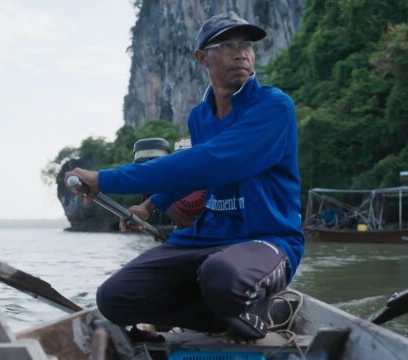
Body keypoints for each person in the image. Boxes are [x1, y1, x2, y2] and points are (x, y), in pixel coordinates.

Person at [65, 11, 304, 340]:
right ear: (201, 57)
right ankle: (221, 315)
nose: (241, 52)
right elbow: (195, 174)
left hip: (267, 240)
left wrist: (107, 179)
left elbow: (213, 162)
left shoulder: (274, 107)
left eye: (247, 45)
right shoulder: (200, 117)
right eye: (228, 44)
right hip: (205, 240)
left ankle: (248, 311)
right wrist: (149, 206)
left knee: (221, 275)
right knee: (114, 297)